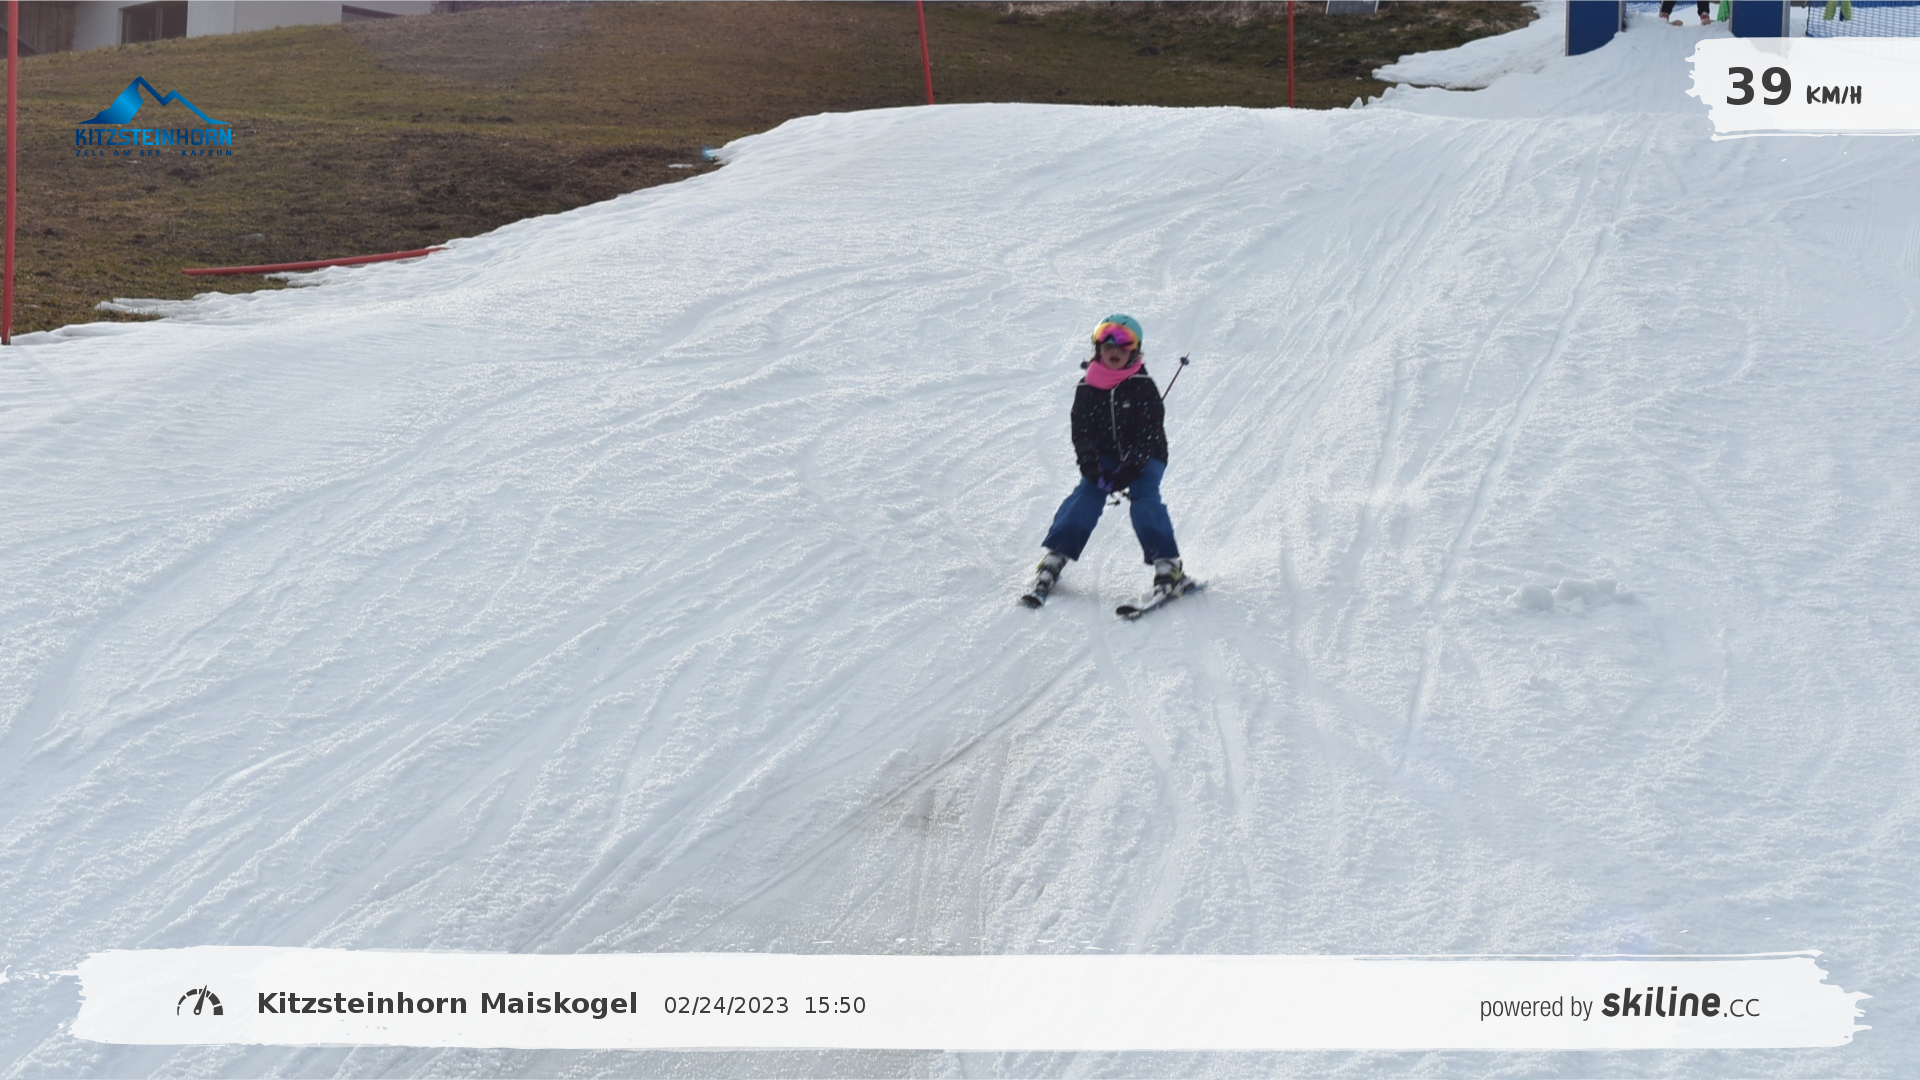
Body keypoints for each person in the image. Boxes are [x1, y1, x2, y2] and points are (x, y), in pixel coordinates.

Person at [1023, 314, 1189, 606]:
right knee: (1088, 493)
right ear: (1098, 348)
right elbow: (1083, 433)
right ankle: (1056, 555)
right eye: (1107, 343)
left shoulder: (1143, 386)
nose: (1114, 350)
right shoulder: (1087, 387)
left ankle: (1168, 565)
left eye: (1124, 346)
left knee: (1144, 494)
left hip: (1147, 456)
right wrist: (1090, 465)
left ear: (1134, 352)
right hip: (1107, 456)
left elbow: (1148, 434)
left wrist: (1130, 469)